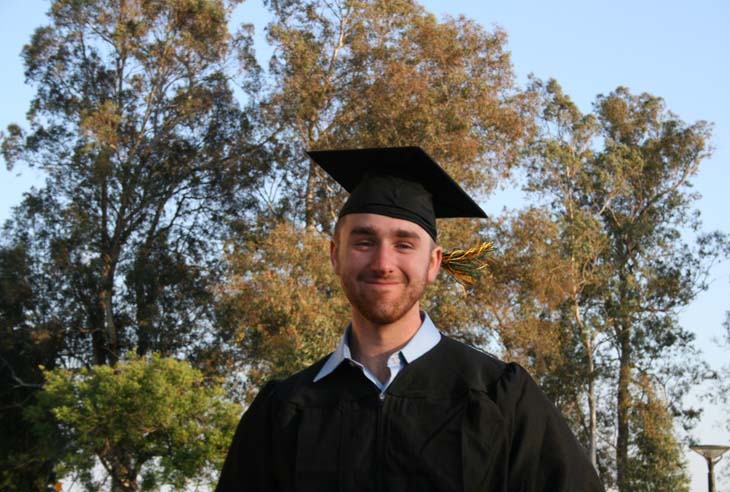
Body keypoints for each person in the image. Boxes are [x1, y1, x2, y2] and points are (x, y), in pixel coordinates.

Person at [216, 147, 605, 492]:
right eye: (364, 242)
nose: (383, 263)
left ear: (433, 263)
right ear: (335, 255)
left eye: (404, 244)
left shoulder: (498, 398)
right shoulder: (283, 409)